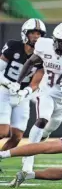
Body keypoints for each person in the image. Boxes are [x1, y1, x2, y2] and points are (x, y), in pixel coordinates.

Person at [8, 22, 62, 174]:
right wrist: (18, 82)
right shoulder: (44, 46)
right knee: (41, 120)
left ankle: (36, 143)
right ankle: (27, 162)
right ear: (54, 40)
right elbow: (30, 62)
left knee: (47, 130)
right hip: (46, 92)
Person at [0, 18, 46, 150]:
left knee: (17, 137)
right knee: (2, 132)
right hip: (4, 92)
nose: (36, 37)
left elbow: (35, 82)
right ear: (25, 33)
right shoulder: (13, 46)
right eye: (33, 33)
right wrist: (9, 83)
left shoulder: (43, 56)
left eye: (39, 34)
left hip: (23, 96)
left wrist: (24, 92)